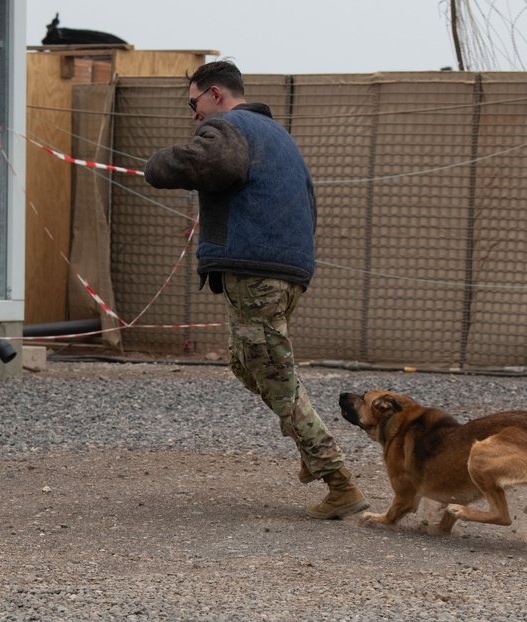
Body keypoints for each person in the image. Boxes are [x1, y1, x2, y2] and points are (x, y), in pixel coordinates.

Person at [144, 61, 369, 520]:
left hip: (257, 272)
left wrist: (156, 165)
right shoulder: (276, 134)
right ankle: (314, 453)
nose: (195, 116)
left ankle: (338, 480)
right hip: (285, 270)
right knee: (244, 361)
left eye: (194, 104)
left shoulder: (227, 127)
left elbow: (214, 162)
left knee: (275, 376)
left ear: (215, 94)